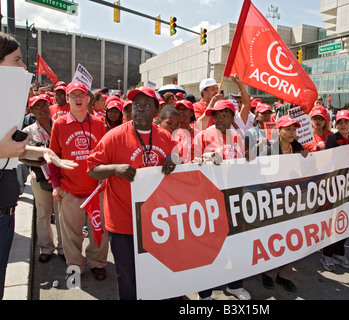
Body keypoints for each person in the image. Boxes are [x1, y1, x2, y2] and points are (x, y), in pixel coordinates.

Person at [0, 32, 77, 299]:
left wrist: (48, 155)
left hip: (6, 211)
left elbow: (15, 150)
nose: (24, 67)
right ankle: (47, 248)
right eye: (17, 60)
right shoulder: (26, 123)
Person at [87, 86, 178, 300]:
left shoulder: (165, 137)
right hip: (123, 223)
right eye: (136, 105)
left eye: (146, 105)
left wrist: (175, 160)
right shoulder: (114, 136)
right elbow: (92, 169)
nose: (139, 109)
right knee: (127, 278)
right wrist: (114, 169)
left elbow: (180, 163)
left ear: (156, 110)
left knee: (156, 274)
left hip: (157, 222)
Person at [48, 81, 109, 281]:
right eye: (73, 95)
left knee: (98, 232)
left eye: (81, 95)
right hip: (70, 190)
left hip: (96, 190)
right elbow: (53, 157)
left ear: (88, 98)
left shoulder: (99, 124)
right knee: (71, 235)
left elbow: (106, 155)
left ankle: (97, 263)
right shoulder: (59, 124)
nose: (77, 99)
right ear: (67, 99)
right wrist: (56, 186)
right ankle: (75, 265)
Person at [193, 100, 250, 300]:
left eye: (225, 115)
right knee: (209, 245)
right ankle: (205, 293)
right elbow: (191, 166)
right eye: (216, 115)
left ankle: (234, 285)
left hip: (233, 198)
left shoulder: (237, 137)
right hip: (208, 199)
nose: (219, 118)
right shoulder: (202, 136)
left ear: (232, 117)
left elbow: (241, 166)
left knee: (234, 242)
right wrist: (205, 159)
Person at [260, 115, 308, 293]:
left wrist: (305, 158)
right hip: (273, 202)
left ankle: (285, 275)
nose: (292, 133)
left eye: (294, 130)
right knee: (273, 238)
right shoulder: (268, 151)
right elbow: (260, 176)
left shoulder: (299, 149)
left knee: (292, 238)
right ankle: (268, 273)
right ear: (278, 131)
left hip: (293, 202)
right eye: (287, 129)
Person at [320, 109, 349, 272]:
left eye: (346, 122)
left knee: (345, 221)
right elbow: (330, 159)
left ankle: (339, 252)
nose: (343, 125)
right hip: (333, 188)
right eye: (340, 122)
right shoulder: (332, 139)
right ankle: (327, 254)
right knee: (331, 221)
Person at [21, 94, 64, 263]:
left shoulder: (59, 126)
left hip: (60, 176)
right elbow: (21, 156)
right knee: (43, 213)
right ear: (31, 110)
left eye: (45, 105)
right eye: (37, 107)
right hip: (39, 178)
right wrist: (38, 164)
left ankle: (63, 248)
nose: (42, 109)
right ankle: (46, 248)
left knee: (60, 213)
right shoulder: (28, 131)